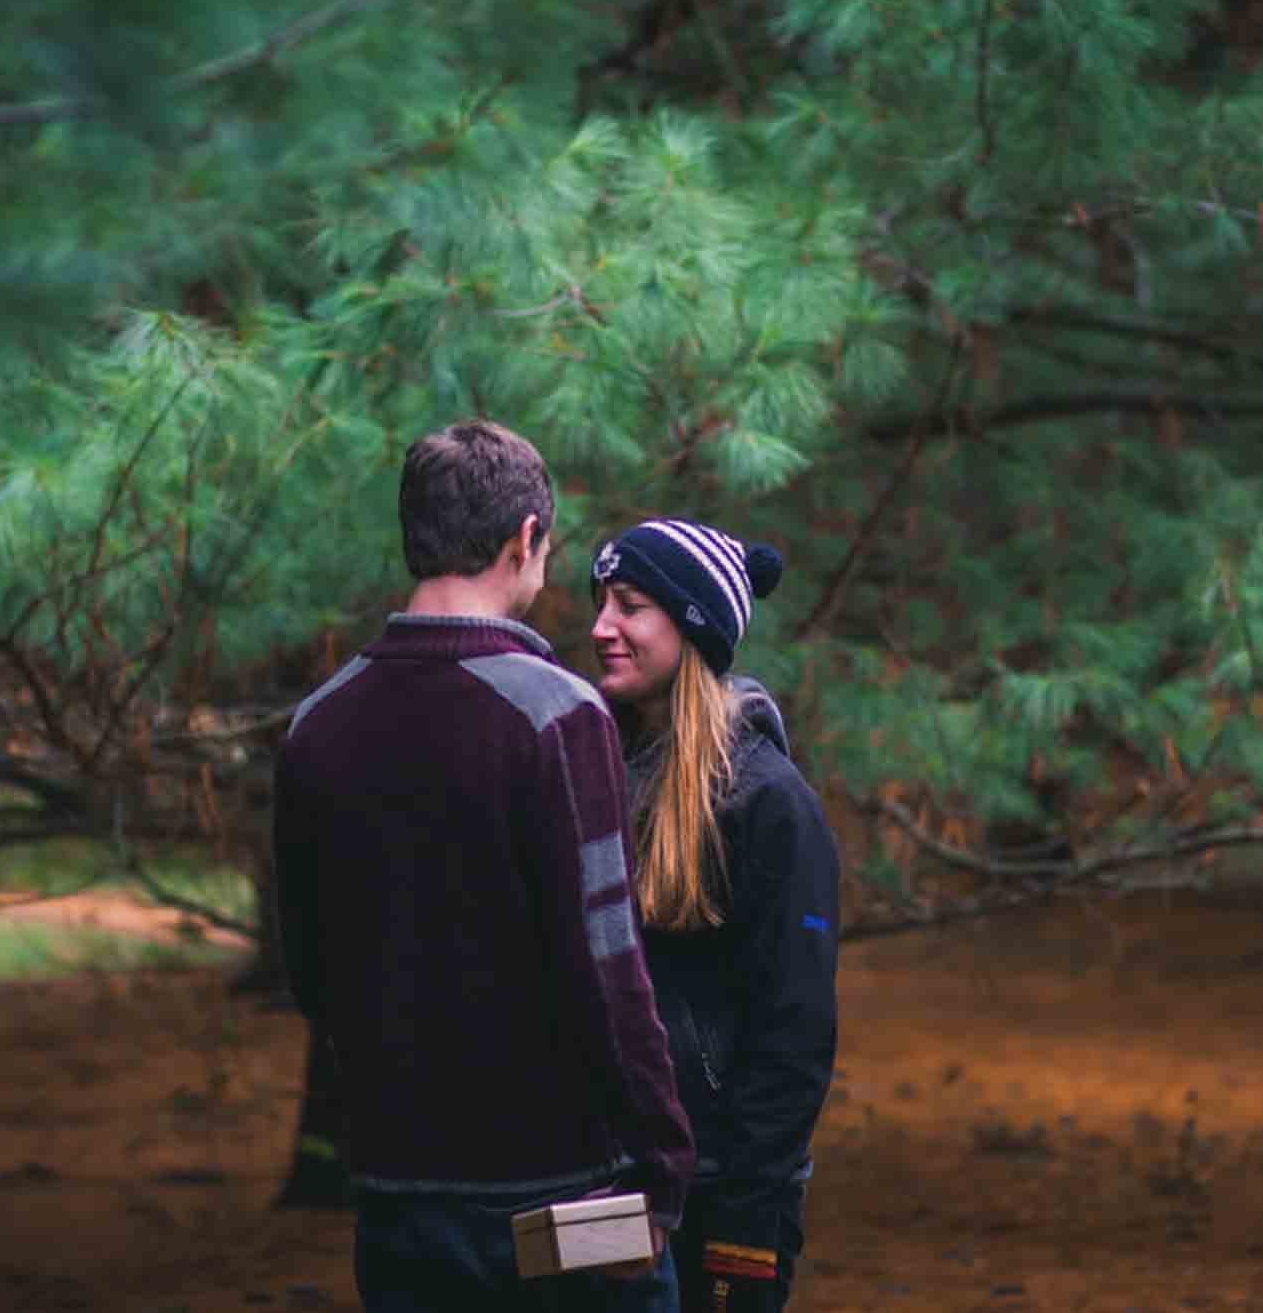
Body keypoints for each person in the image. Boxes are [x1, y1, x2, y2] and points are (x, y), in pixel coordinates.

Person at [274, 420, 695, 1312]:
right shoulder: (557, 715)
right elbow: (608, 968)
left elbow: (309, 972)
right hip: (558, 1194)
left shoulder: (318, 723)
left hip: (393, 1196)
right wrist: (663, 1167)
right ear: (526, 540)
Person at [587, 520, 841, 1313]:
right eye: (599, 602)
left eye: (630, 605)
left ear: (691, 625)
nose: (601, 627)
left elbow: (794, 1032)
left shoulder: (769, 805)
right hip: (606, 1186)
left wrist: (741, 1203)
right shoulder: (590, 773)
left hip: (727, 1201)